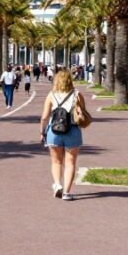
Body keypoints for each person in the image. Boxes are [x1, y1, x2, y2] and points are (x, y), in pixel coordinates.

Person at [39, 68, 85, 201]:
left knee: (56, 161)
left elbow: (45, 117)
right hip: (73, 131)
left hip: (54, 132)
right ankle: (66, 193)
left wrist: (42, 132)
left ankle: (57, 184)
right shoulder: (77, 94)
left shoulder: (51, 95)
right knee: (70, 163)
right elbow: (82, 113)